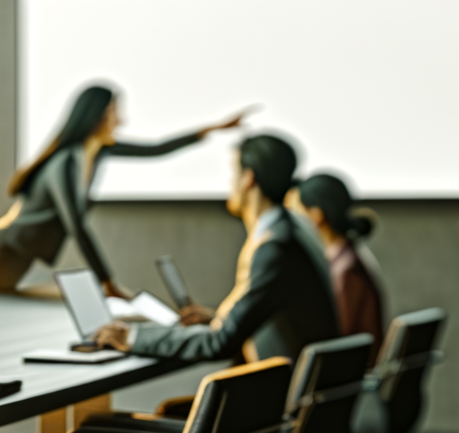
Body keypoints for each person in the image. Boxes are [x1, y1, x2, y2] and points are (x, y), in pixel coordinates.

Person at [0, 83, 251, 295]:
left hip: (21, 255)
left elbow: (156, 149)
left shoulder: (98, 152)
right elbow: (76, 225)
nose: (120, 120)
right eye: (115, 111)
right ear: (97, 115)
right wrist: (107, 281)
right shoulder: (63, 163)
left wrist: (214, 128)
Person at [88, 133, 340, 367]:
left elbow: (218, 343)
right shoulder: (295, 229)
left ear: (248, 179)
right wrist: (217, 319)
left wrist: (130, 336)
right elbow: (266, 313)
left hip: (282, 399)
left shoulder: (275, 247)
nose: (230, 184)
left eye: (233, 174)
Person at [287, 172, 387, 358]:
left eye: (296, 214)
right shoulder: (348, 256)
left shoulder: (344, 270)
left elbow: (337, 336)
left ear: (316, 216)